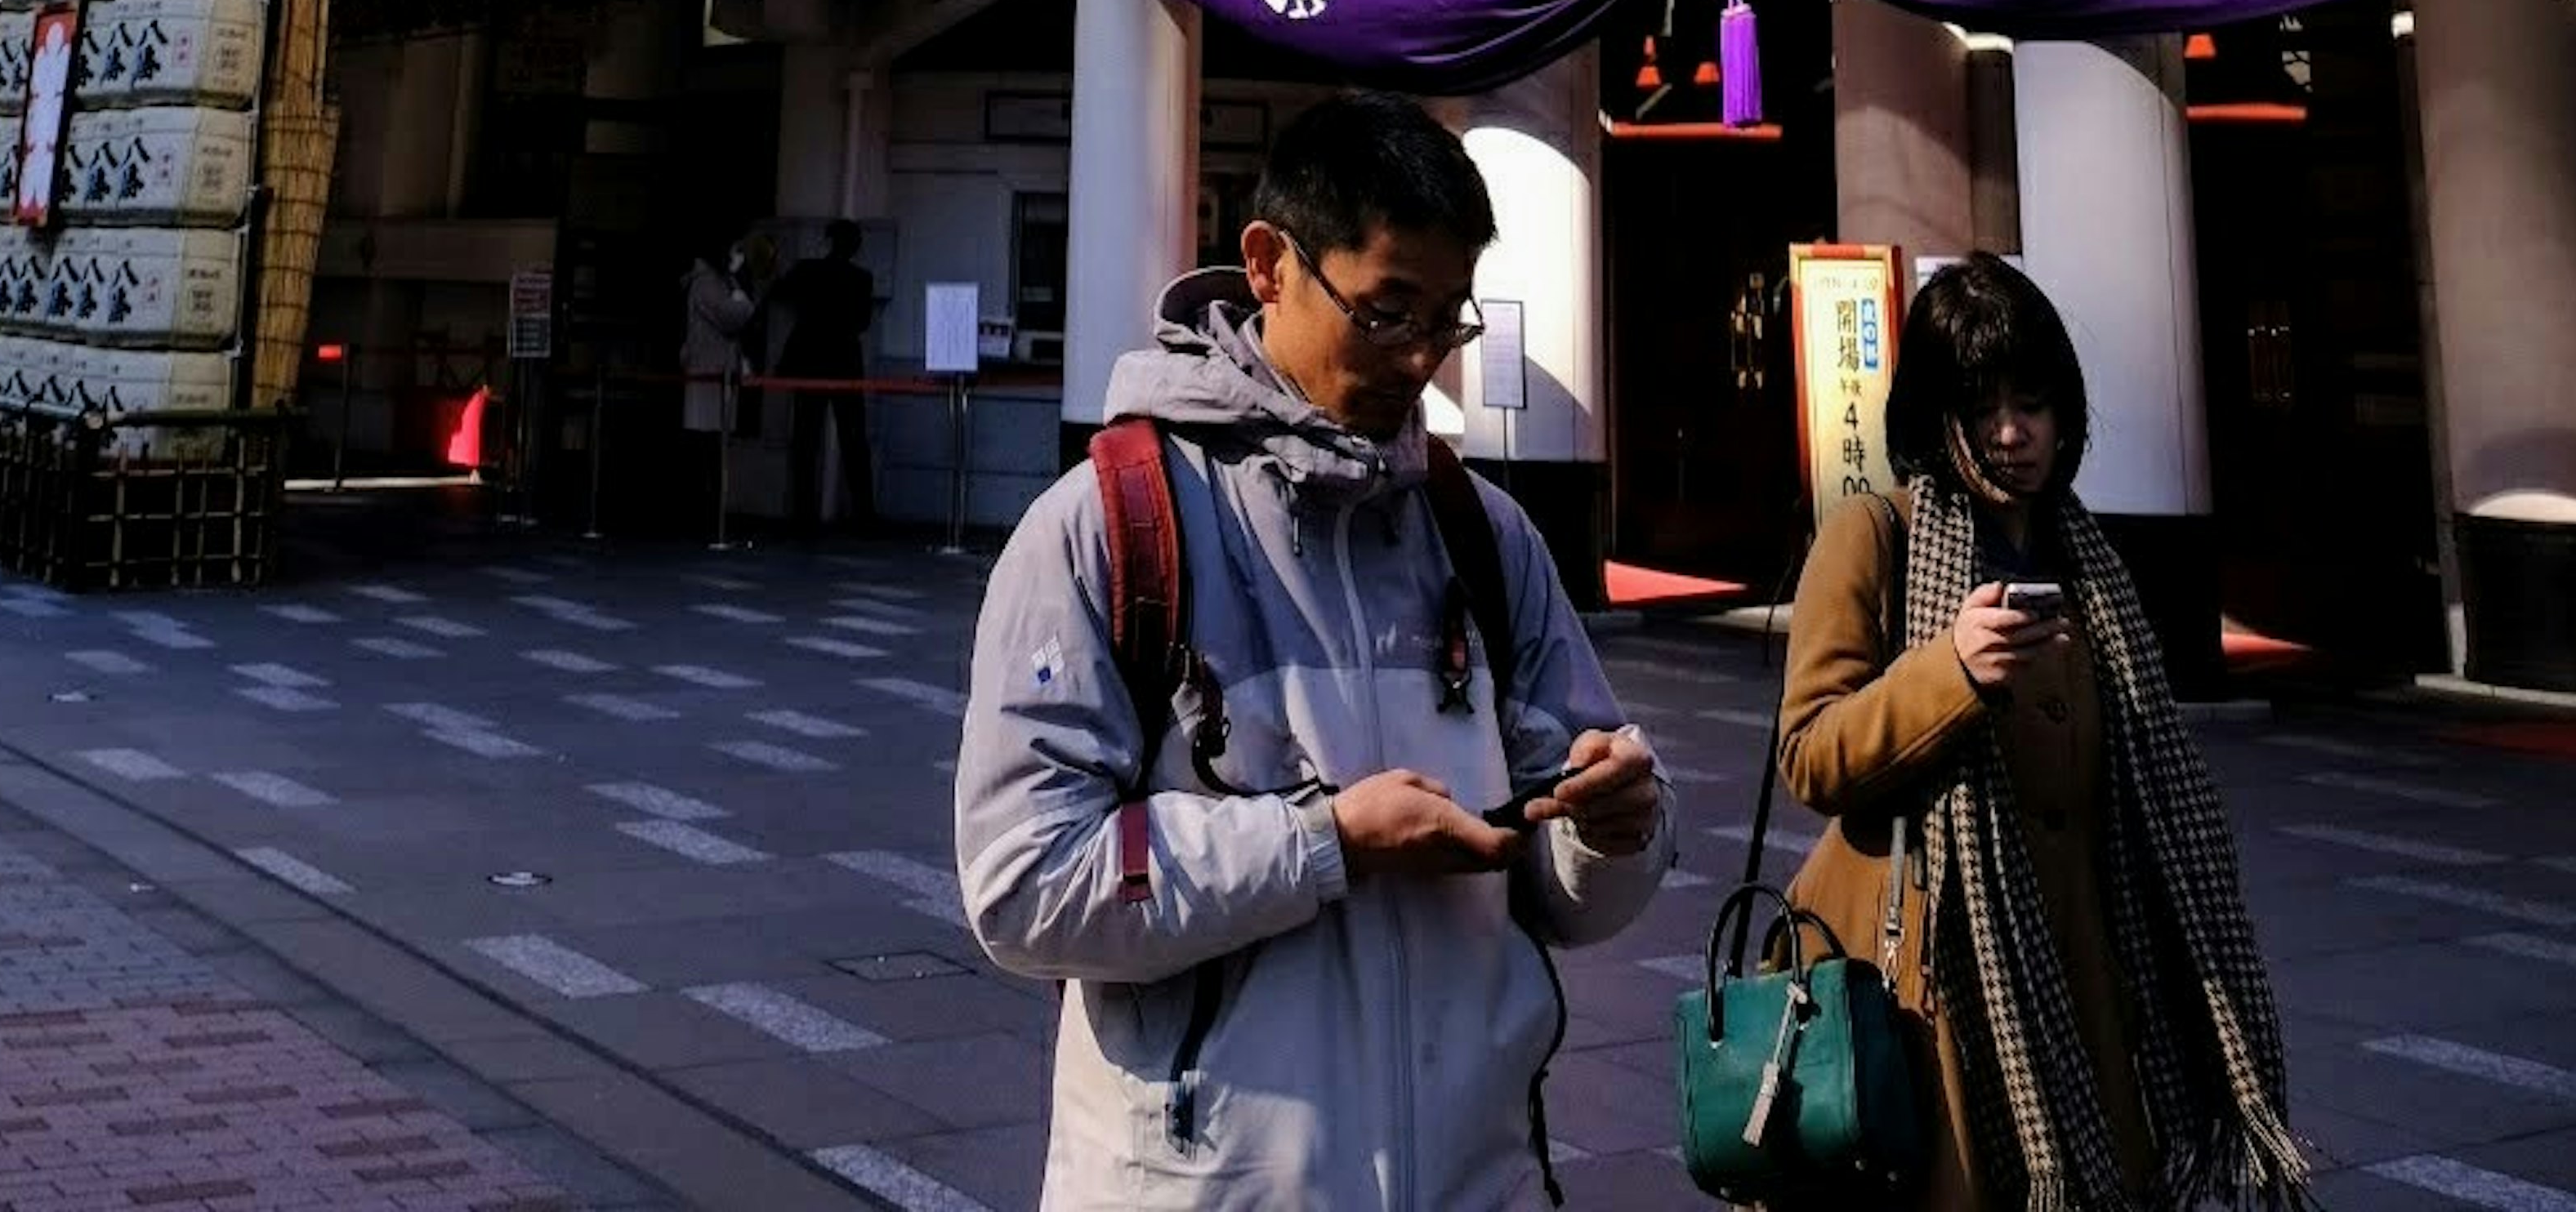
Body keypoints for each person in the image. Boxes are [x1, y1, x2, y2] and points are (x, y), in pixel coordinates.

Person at [957, 92, 1668, 1211]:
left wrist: (1613, 828)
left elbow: (1572, 891)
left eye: (1448, 320)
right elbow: (1026, 885)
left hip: (1476, 1180)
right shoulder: (1106, 527)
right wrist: (1322, 840)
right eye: (1388, 312)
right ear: (1269, 264)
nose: (1423, 359)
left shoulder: (1485, 534)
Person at [1778, 249, 2306, 1212]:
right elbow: (1810, 751)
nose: (2014, 434)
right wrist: (1950, 670)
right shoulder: (1874, 534)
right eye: (1983, 408)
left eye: (2034, 403)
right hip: (1935, 991)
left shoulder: (2089, 561)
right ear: (1936, 415)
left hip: (2090, 987)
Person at [775, 219, 880, 535]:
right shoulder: (861, 279)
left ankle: (802, 514)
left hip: (811, 362)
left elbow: (778, 292)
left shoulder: (807, 271)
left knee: (806, 440)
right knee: (853, 440)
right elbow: (862, 322)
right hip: (845, 363)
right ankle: (864, 515)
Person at [678, 230, 770, 525]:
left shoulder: (710, 282)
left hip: (714, 370)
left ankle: (708, 511)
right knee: (708, 446)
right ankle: (707, 513)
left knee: (711, 445)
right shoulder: (707, 283)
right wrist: (743, 298)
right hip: (711, 371)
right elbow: (731, 316)